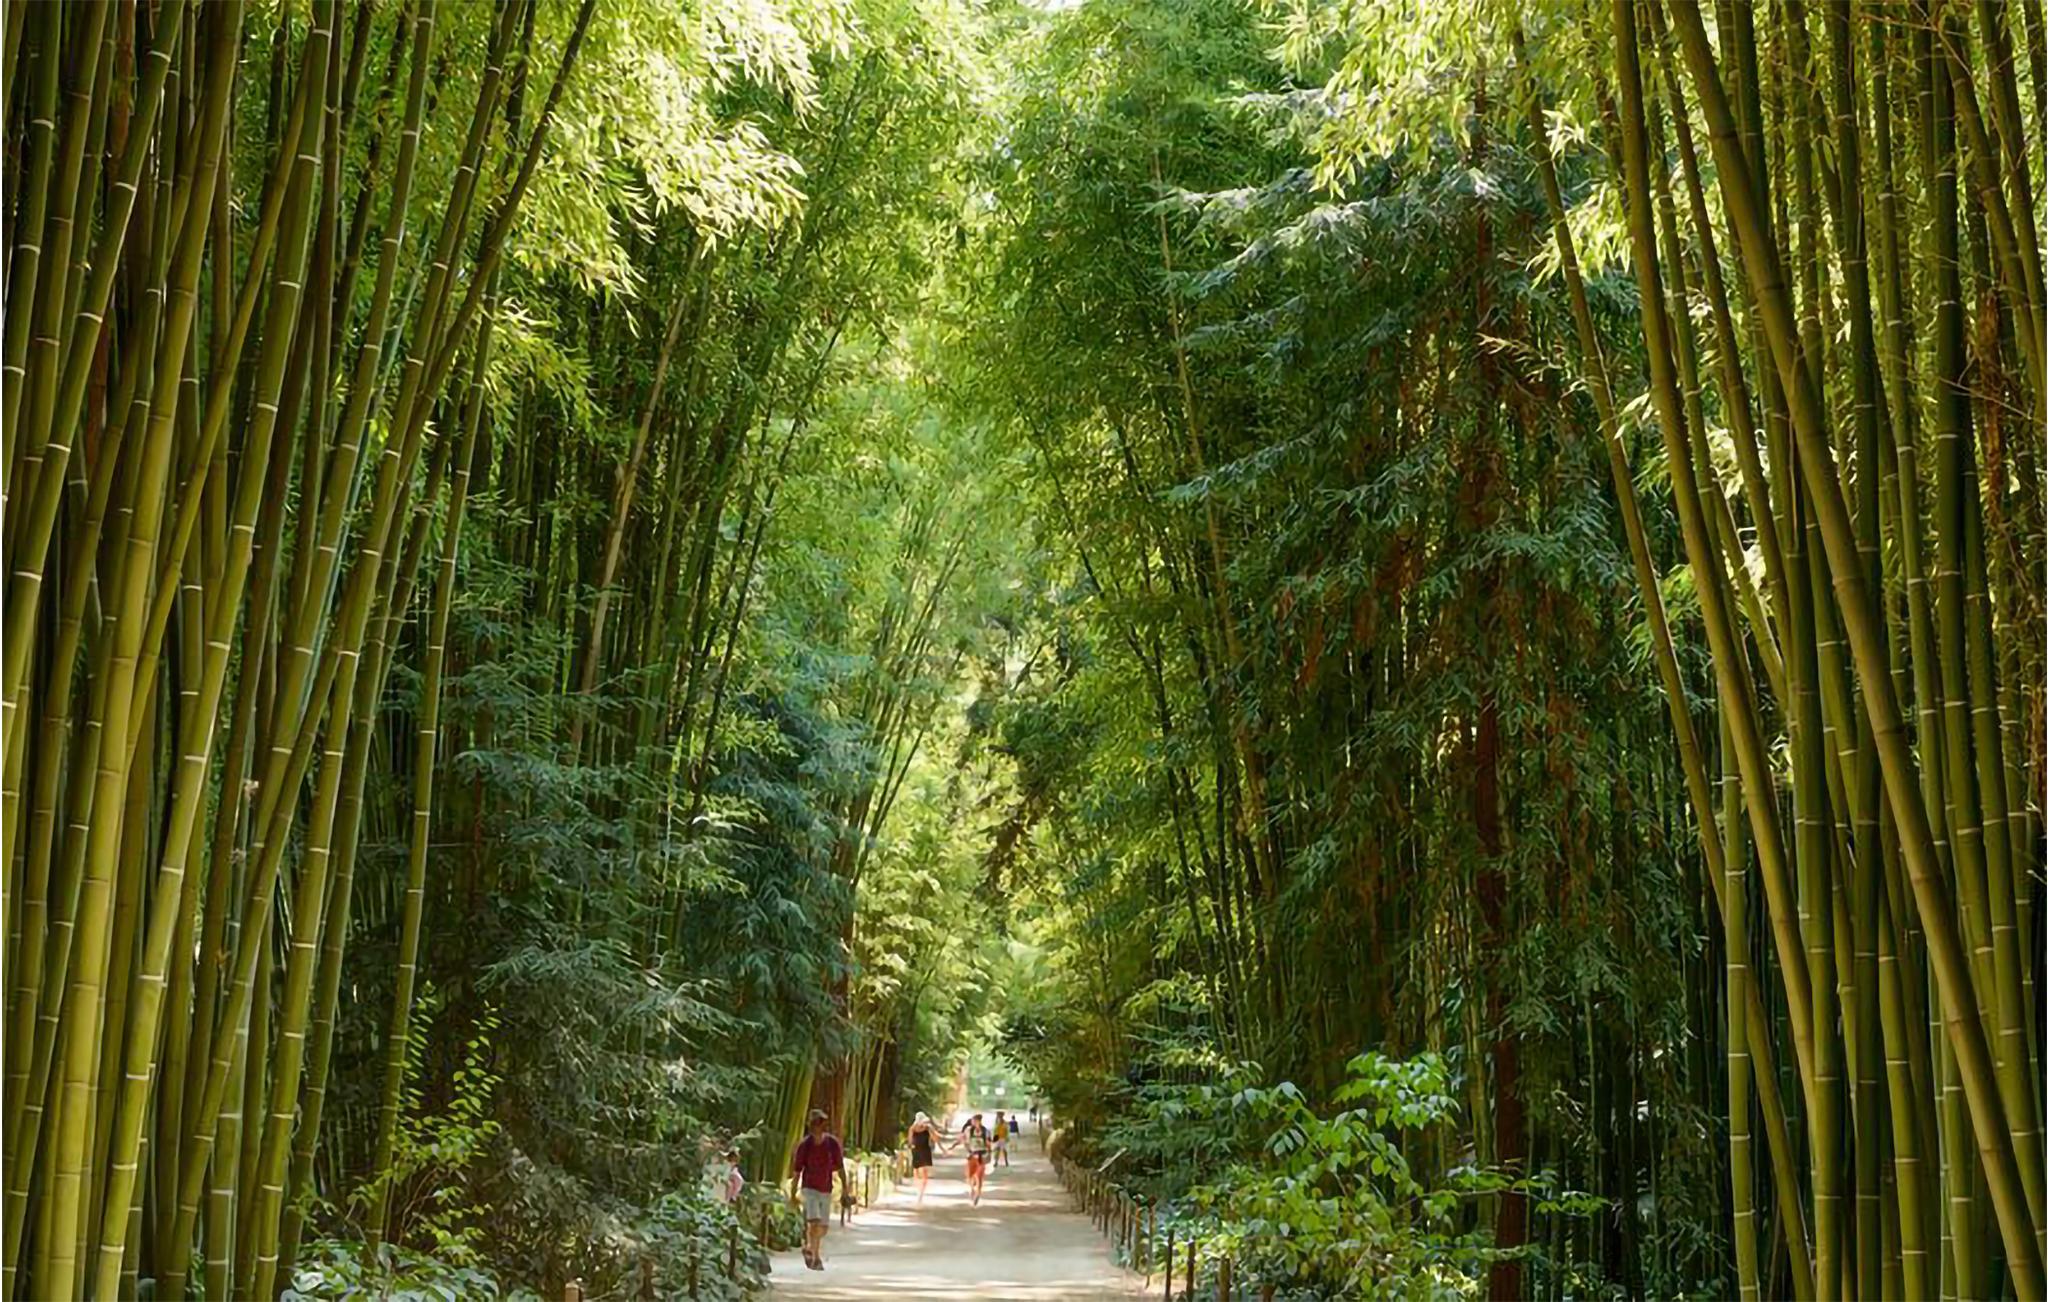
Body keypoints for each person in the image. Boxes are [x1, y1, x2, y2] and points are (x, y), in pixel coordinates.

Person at [788, 1109, 846, 1271]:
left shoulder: (832, 1144)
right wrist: (793, 1193)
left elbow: (840, 1168)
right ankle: (816, 1257)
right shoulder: (804, 1146)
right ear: (811, 1125)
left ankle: (809, 1247)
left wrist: (845, 1189)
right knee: (814, 1222)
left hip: (826, 1188)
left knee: (823, 1227)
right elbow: (797, 1171)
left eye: (820, 1123)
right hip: (809, 1188)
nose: (818, 1127)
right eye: (815, 1123)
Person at [950, 1111, 992, 1206]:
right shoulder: (969, 1130)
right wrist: (953, 1146)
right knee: (970, 1175)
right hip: (972, 1155)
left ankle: (978, 1194)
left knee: (979, 1177)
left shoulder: (986, 1132)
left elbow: (989, 1144)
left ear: (978, 1121)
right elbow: (962, 1139)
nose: (972, 1122)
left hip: (982, 1156)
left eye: (974, 1121)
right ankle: (972, 1189)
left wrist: (989, 1155)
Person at [907, 1110, 941, 1207]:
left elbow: (935, 1139)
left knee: (924, 1173)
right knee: (917, 1173)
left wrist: (932, 1130)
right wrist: (911, 1147)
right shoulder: (912, 1129)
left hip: (925, 1151)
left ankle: (921, 1193)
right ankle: (918, 1190)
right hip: (916, 1151)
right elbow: (910, 1141)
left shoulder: (928, 1128)